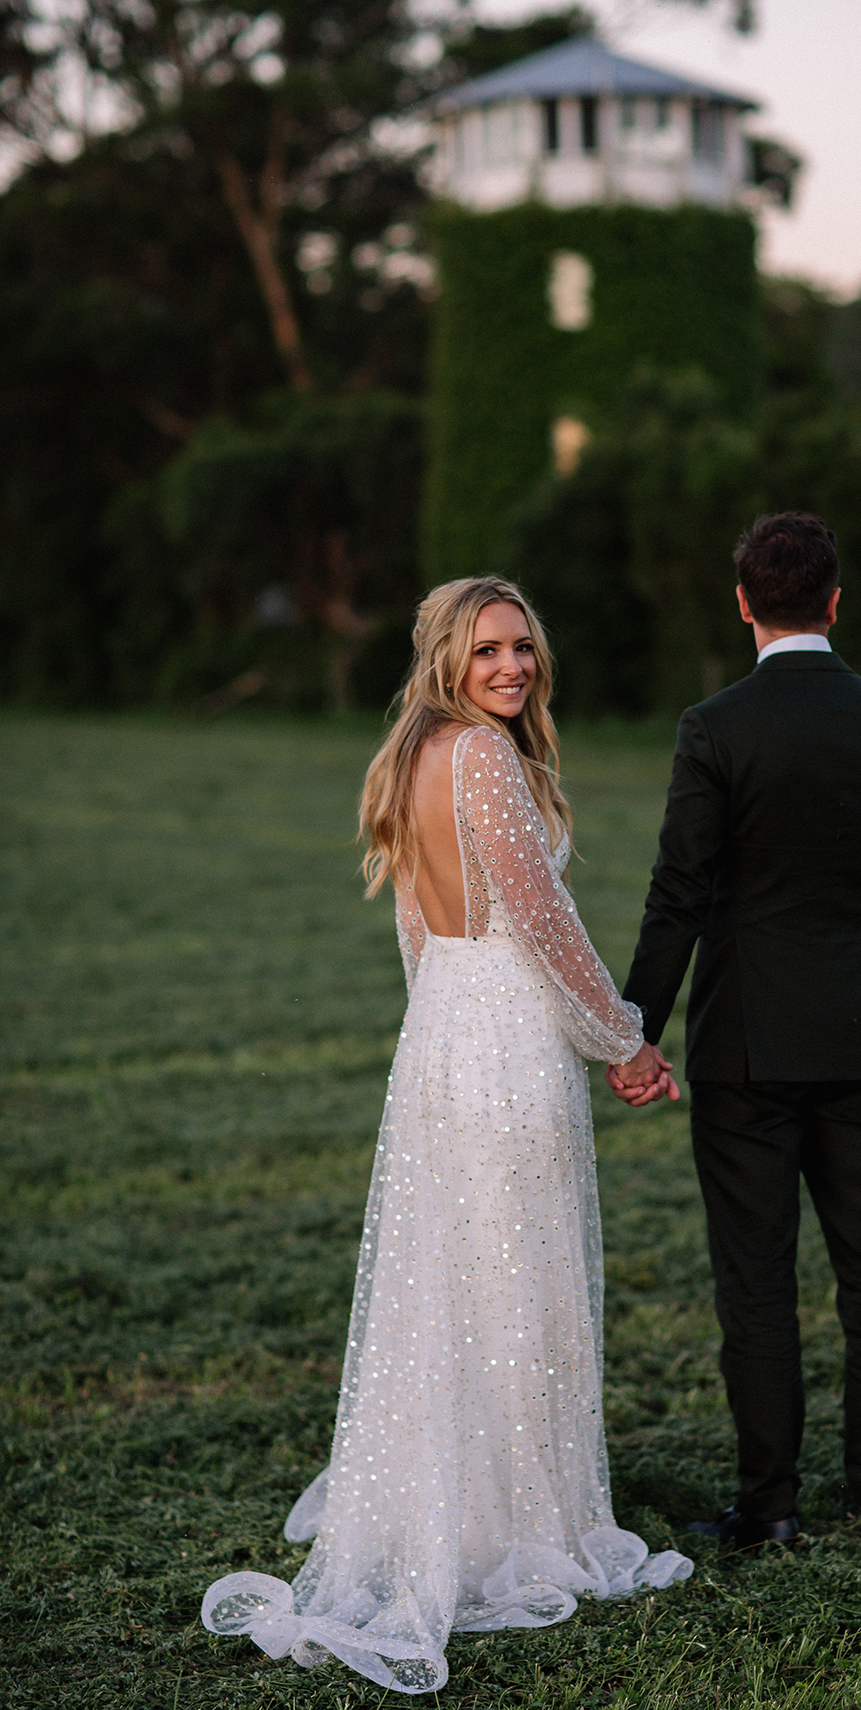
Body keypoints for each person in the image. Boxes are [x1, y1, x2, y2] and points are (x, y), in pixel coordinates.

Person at [201, 577, 690, 1694]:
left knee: (457, 1287)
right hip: (507, 1044)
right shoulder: (480, 759)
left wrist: (440, 1037)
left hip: (442, 1042)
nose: (511, 668)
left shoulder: (414, 759)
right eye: (487, 653)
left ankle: (469, 1499)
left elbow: (421, 937)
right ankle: (514, 1526)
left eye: (522, 647)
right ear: (447, 664)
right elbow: (547, 921)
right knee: (514, 1286)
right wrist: (624, 1041)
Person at [608, 513, 861, 1547]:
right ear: (835, 603)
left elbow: (679, 891)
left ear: (744, 604)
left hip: (746, 1045)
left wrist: (635, 1028)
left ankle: (770, 1507)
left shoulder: (717, 728)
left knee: (756, 1280)